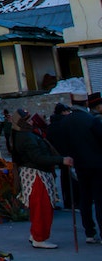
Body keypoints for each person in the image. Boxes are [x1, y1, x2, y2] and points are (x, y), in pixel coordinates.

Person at [10, 109, 74, 249]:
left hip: (36, 173)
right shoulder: (26, 137)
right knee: (41, 207)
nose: (32, 121)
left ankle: (36, 234)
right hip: (35, 175)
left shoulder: (25, 134)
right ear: (22, 122)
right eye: (28, 119)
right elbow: (37, 158)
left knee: (40, 206)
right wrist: (61, 160)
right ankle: (39, 237)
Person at [51, 99, 102, 243]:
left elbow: (62, 143)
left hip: (79, 164)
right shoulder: (91, 120)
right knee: (99, 199)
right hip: (97, 164)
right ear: (85, 105)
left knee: (85, 198)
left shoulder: (65, 123)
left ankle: (89, 232)